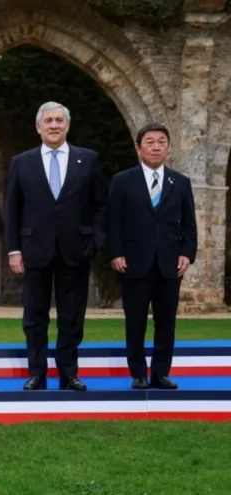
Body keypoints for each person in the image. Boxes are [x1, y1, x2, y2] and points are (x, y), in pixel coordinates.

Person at [4, 102, 106, 392]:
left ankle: (69, 374)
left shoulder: (88, 160)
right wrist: (14, 250)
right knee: (34, 317)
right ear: (38, 127)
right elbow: (13, 209)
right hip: (34, 250)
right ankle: (37, 374)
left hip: (76, 250)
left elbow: (101, 206)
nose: (54, 125)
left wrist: (95, 241)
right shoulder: (21, 162)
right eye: (48, 120)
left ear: (67, 126)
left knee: (71, 317)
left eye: (59, 120)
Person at [106, 123, 196, 390]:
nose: (156, 147)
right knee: (135, 321)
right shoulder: (122, 181)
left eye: (161, 142)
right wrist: (115, 252)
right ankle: (138, 374)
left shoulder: (180, 182)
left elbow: (189, 224)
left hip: (170, 264)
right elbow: (112, 221)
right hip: (134, 262)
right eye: (150, 142)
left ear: (168, 148)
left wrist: (187, 253)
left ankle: (160, 373)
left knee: (166, 322)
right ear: (138, 147)